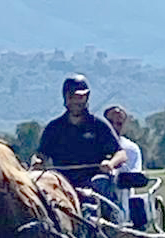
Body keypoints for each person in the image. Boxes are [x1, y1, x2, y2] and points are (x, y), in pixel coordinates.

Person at [32, 74, 127, 219]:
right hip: (61, 182)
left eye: (82, 97)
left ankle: (105, 225)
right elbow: (41, 154)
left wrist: (110, 163)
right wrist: (37, 162)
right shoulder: (54, 128)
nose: (78, 101)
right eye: (74, 97)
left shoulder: (99, 126)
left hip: (92, 183)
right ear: (66, 98)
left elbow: (120, 154)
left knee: (99, 188)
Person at [103, 106, 142, 173]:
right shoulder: (94, 145)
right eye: (110, 122)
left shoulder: (131, 148)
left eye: (119, 124)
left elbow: (134, 175)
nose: (114, 126)